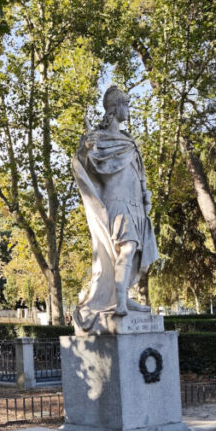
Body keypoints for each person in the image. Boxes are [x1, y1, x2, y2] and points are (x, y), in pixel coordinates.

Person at [70, 85, 158, 334]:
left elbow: (140, 174)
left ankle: (122, 296)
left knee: (135, 254)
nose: (128, 110)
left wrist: (145, 193)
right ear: (116, 107)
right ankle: (120, 303)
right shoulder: (99, 139)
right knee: (127, 248)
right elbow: (83, 164)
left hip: (136, 204)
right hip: (115, 202)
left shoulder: (130, 141)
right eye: (126, 105)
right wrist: (85, 148)